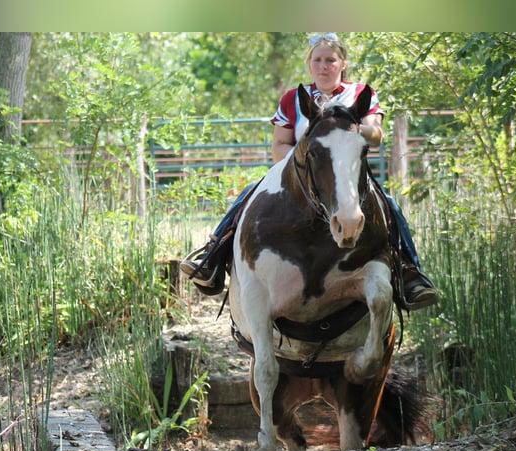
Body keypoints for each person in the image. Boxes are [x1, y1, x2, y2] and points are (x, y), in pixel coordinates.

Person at [180, 33, 438, 311]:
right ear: (309, 64)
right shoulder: (294, 98)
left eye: (330, 60)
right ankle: (211, 259)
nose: (323, 66)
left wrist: (349, 130)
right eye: (318, 60)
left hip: (349, 176)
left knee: (390, 204)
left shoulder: (361, 93)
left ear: (343, 63)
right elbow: (279, 146)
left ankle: (410, 272)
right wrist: (307, 163)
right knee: (247, 194)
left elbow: (376, 135)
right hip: (301, 174)